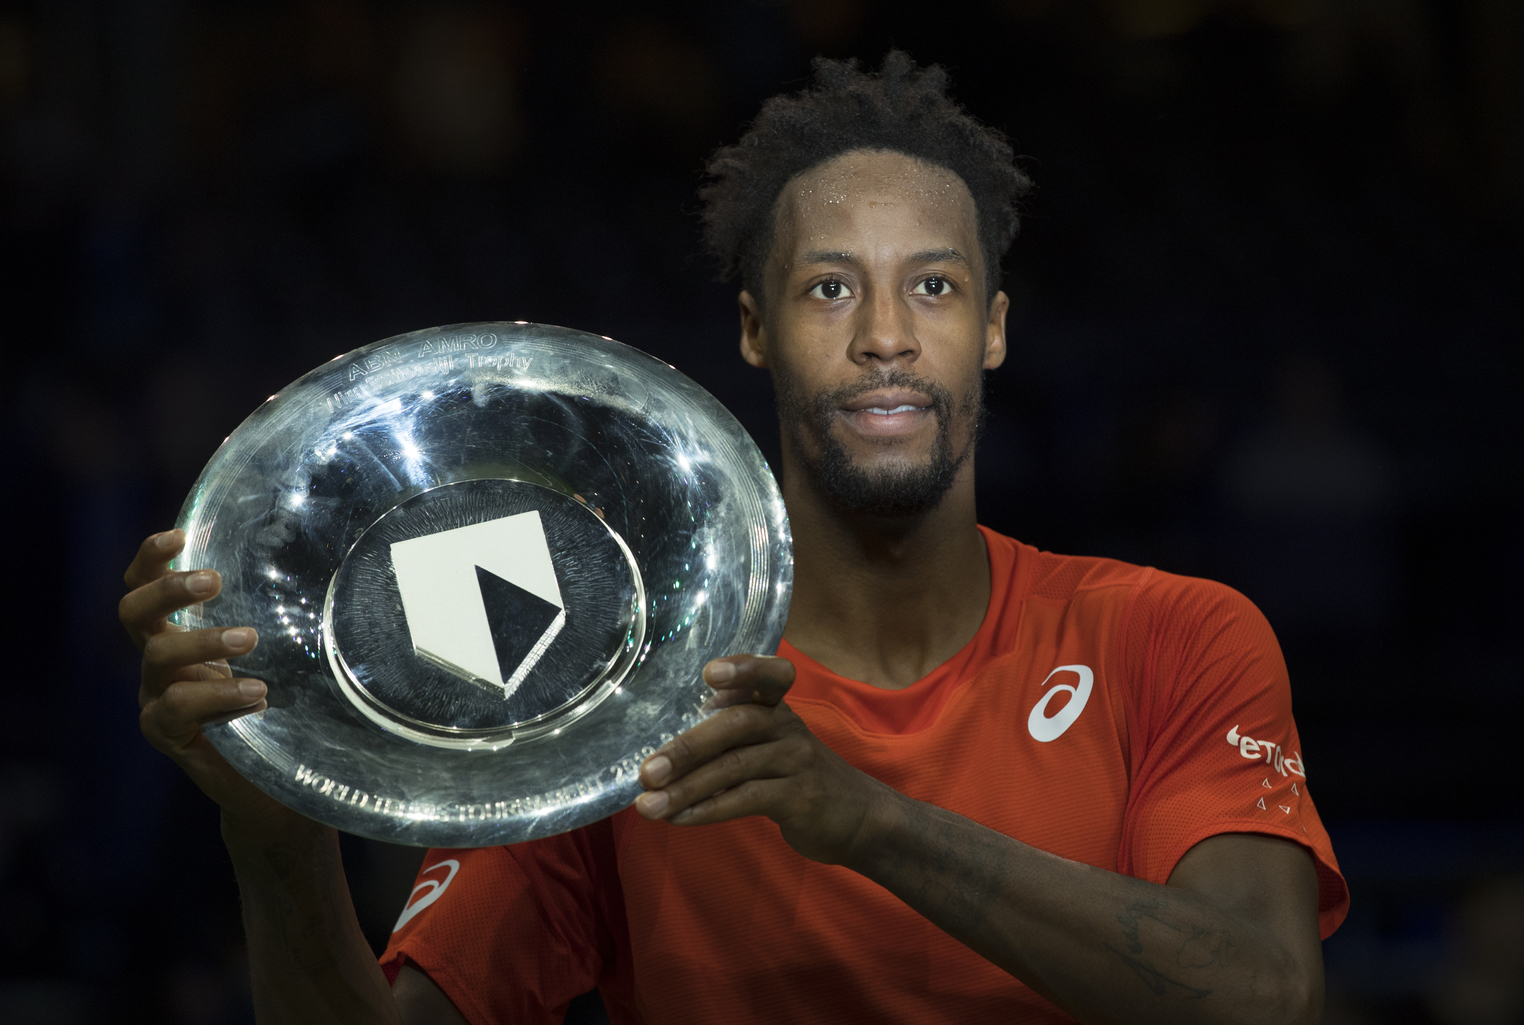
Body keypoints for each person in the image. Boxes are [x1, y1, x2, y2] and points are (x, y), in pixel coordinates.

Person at [119, 52, 1347, 1024]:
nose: (883, 334)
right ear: (757, 330)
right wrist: (273, 831)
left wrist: (866, 821)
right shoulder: (619, 699)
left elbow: (1266, 991)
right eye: (829, 287)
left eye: (932, 285)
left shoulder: (1173, 635)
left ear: (993, 329)